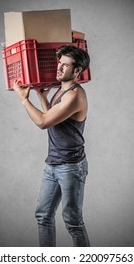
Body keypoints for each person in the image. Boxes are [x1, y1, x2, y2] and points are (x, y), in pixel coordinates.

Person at [13, 45, 90, 247]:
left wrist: (24, 100)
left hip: (71, 166)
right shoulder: (60, 91)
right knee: (43, 215)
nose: (59, 68)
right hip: (53, 163)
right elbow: (54, 118)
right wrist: (42, 96)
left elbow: (43, 122)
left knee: (73, 222)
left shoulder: (75, 95)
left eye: (65, 65)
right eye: (59, 63)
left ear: (77, 71)